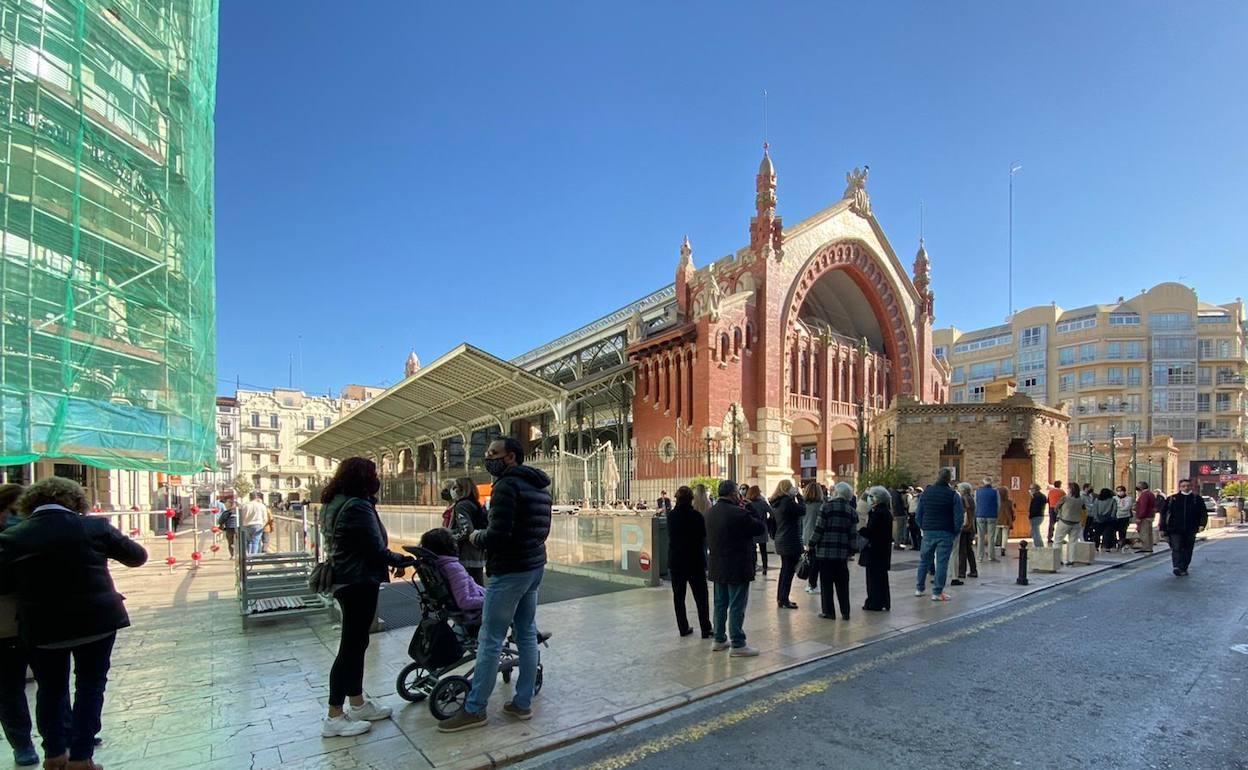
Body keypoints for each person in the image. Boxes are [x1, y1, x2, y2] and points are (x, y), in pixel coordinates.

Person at [0, 477, 147, 770]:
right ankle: (82, 757)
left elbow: (4, 584)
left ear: (29, 504)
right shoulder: (95, 527)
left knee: (50, 689)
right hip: (97, 622)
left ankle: (54, 754)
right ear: (77, 501)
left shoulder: (13, 537)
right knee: (91, 687)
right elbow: (137, 557)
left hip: (43, 627)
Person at [439, 438, 552, 732]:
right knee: (526, 631)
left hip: (510, 569)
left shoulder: (505, 486)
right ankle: (523, 703)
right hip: (534, 565)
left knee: (490, 638)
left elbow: (499, 534)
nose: (487, 458)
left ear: (511, 457)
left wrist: (476, 537)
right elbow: (541, 529)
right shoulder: (539, 486)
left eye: (493, 453)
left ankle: (475, 709)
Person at [319, 458, 408, 738]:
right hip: (358, 579)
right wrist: (402, 559)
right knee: (351, 647)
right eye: (373, 473)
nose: (377, 477)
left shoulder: (335, 502)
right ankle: (334, 715)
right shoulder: (357, 506)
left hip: (346, 578)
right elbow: (374, 547)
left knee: (357, 642)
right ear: (363, 477)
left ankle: (357, 703)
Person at [705, 481, 766, 656]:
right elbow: (760, 527)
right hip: (737, 566)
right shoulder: (740, 513)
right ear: (734, 494)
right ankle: (738, 643)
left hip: (717, 565)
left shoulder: (709, 513)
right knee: (737, 604)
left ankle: (719, 638)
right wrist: (751, 509)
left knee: (720, 603)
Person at [0, 485, 35, 767]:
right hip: (7, 624)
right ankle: (22, 744)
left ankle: (67, 731)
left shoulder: (30, 534)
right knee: (9, 688)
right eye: (14, 511)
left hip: (36, 618)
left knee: (54, 681)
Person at [666, 486, 712, 638]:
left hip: (676, 561)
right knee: (701, 597)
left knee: (678, 597)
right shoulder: (697, 516)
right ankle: (706, 628)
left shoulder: (671, 516)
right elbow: (703, 536)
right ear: (691, 499)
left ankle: (683, 628)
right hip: (695, 561)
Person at [808, 482, 858, 619]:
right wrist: (852, 550)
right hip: (841, 554)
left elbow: (819, 529)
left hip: (825, 552)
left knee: (826, 583)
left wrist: (811, 544)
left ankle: (828, 611)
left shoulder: (826, 507)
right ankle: (845, 612)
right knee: (843, 584)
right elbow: (853, 533)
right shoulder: (851, 511)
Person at [914, 469, 964, 602]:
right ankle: (937, 592)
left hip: (928, 531)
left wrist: (923, 526)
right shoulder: (953, 495)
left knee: (924, 560)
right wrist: (955, 531)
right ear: (949, 479)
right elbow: (958, 517)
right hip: (946, 532)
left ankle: (919, 588)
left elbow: (919, 514)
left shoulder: (926, 493)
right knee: (942, 562)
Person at [420, 528, 485, 624]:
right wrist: (492, 599)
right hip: (475, 612)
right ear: (448, 546)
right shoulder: (453, 568)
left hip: (473, 603)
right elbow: (464, 601)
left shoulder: (438, 565)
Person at [1159, 479, 1207, 577]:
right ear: (1180, 487)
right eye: (1183, 486)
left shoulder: (1197, 499)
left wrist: (1202, 525)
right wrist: (1162, 528)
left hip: (1191, 529)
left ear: (1191, 487)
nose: (1186, 487)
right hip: (1174, 529)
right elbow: (1164, 514)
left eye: (1188, 485)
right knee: (1176, 548)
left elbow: (1203, 513)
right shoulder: (1172, 499)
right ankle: (1177, 566)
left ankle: (1183, 567)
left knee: (1188, 549)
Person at [769, 480, 804, 610]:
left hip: (781, 539)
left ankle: (782, 598)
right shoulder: (787, 502)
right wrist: (799, 496)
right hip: (790, 540)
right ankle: (784, 599)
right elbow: (802, 510)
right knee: (788, 571)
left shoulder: (776, 502)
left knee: (785, 570)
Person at [859, 486, 893, 611]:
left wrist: (861, 530)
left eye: (872, 496)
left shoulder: (877, 513)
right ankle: (884, 601)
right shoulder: (886, 512)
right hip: (882, 550)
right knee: (882, 577)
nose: (870, 499)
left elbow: (871, 532)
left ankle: (875, 602)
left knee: (873, 578)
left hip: (874, 550)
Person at [449, 477, 487, 585]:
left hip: (466, 553)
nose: (452, 490)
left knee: (468, 587)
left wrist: (449, 536)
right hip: (477, 553)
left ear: (462, 489)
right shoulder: (474, 503)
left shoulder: (461, 505)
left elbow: (466, 530)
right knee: (478, 586)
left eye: (455, 487)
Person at [1053, 481, 1087, 566]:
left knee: (1058, 541)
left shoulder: (1065, 498)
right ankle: (1071, 560)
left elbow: (1056, 508)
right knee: (1073, 542)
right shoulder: (1081, 499)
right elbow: (1083, 510)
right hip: (1076, 523)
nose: (1067, 489)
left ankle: (1057, 559)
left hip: (1064, 522)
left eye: (1068, 488)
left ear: (1071, 490)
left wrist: (1059, 513)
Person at [801, 483, 823, 593]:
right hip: (818, 536)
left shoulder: (803, 505)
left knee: (810, 560)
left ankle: (810, 583)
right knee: (816, 562)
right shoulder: (821, 506)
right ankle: (813, 584)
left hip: (806, 535)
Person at [744, 486, 771, 576]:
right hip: (762, 528)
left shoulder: (747, 503)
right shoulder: (763, 503)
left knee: (753, 550)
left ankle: (753, 567)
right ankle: (765, 568)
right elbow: (772, 512)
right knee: (763, 550)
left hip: (751, 528)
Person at [955, 482, 978, 582]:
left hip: (964, 527)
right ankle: (973, 570)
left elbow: (962, 512)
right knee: (969, 550)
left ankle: (961, 571)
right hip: (971, 526)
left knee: (962, 550)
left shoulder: (963, 498)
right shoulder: (971, 498)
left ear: (963, 490)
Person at [974, 478, 1000, 564]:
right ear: (991, 483)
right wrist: (997, 514)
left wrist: (976, 514)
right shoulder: (995, 492)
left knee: (980, 537)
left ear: (983, 483)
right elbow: (998, 504)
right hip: (992, 515)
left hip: (980, 515)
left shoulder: (977, 492)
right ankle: (991, 556)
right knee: (991, 537)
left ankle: (979, 557)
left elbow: (975, 504)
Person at [1133, 481, 1156, 554]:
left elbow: (1143, 506)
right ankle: (1149, 546)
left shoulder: (1144, 495)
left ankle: (1146, 547)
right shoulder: (1151, 494)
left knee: (1144, 533)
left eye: (1138, 486)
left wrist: (1139, 517)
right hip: (1150, 516)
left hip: (1145, 517)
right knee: (1149, 533)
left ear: (1141, 487)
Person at [1113, 486, 1134, 552]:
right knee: (1114, 531)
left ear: (1124, 491)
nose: (1119, 492)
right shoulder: (1114, 498)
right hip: (1116, 517)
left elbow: (1127, 507)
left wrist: (1119, 508)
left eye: (1121, 491)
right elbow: (1114, 507)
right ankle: (1115, 543)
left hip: (1125, 517)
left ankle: (1122, 543)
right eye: (1118, 491)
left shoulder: (1129, 498)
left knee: (1122, 531)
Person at [995, 486, 1014, 557]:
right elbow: (1012, 511)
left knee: (995, 534)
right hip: (1006, 519)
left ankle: (992, 548)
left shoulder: (996, 501)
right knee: (1005, 534)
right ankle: (1003, 548)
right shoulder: (1009, 502)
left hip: (997, 519)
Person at [1046, 481, 1065, 546]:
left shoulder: (1050, 492)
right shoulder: (1062, 492)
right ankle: (1059, 538)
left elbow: (1048, 501)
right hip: (1059, 509)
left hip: (1051, 508)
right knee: (1060, 524)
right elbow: (1064, 501)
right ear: (1060, 485)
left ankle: (1049, 538)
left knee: (1051, 524)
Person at [1027, 484, 1047, 549]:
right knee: (1035, 531)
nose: (1030, 490)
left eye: (1031, 489)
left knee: (1035, 532)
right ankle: (1039, 545)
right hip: (1041, 515)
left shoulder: (1036, 497)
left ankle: (1039, 546)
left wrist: (1030, 516)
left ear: (1034, 489)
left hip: (1035, 516)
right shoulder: (1043, 496)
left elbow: (1034, 508)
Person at [891, 486, 909, 550]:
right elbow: (897, 505)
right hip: (900, 515)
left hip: (897, 514)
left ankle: (897, 543)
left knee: (899, 530)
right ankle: (897, 544)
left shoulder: (894, 493)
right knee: (900, 530)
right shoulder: (897, 495)